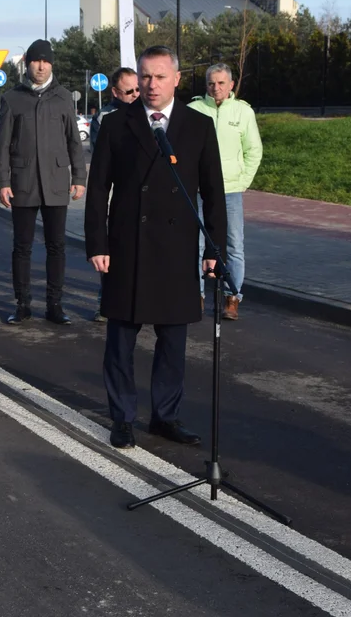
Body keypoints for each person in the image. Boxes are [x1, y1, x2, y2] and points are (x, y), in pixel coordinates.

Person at [84, 46, 227, 450]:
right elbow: (97, 192)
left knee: (172, 343)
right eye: (145, 76)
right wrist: (98, 242)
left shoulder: (198, 126)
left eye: (160, 76)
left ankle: (165, 416)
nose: (151, 85)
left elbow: (214, 194)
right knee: (121, 342)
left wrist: (214, 248)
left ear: (177, 79)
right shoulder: (116, 124)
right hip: (126, 248)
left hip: (177, 249)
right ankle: (123, 417)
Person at [0, 38, 86, 325]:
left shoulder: (62, 98)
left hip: (57, 182)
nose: (42, 66)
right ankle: (22, 304)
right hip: (23, 183)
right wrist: (2, 181)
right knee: (22, 247)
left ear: (52, 64)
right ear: (28, 64)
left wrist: (79, 177)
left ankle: (54, 305)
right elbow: (2, 145)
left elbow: (74, 141)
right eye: (36, 61)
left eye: (46, 61)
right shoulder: (12, 98)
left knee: (56, 246)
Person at [188, 63, 262, 321]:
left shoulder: (243, 112)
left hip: (230, 190)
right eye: (211, 83)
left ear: (231, 85)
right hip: (198, 191)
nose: (216, 88)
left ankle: (232, 298)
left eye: (221, 83)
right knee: (195, 245)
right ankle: (195, 296)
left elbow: (254, 150)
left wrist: (243, 181)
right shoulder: (193, 110)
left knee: (233, 246)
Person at [88, 67, 140, 322]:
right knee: (111, 248)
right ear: (115, 92)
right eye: (128, 91)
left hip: (141, 192)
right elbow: (102, 158)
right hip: (115, 191)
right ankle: (105, 301)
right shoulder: (105, 118)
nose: (135, 95)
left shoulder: (146, 112)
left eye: (137, 89)